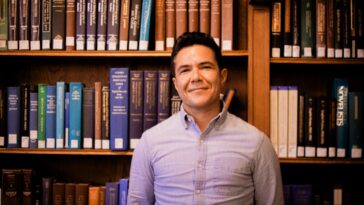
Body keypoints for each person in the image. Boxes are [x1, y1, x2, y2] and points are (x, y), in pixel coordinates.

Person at [127, 32, 284, 205]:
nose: (196, 77)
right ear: (176, 84)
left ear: (222, 76)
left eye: (205, 67)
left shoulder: (257, 143)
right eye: (185, 70)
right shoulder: (150, 142)